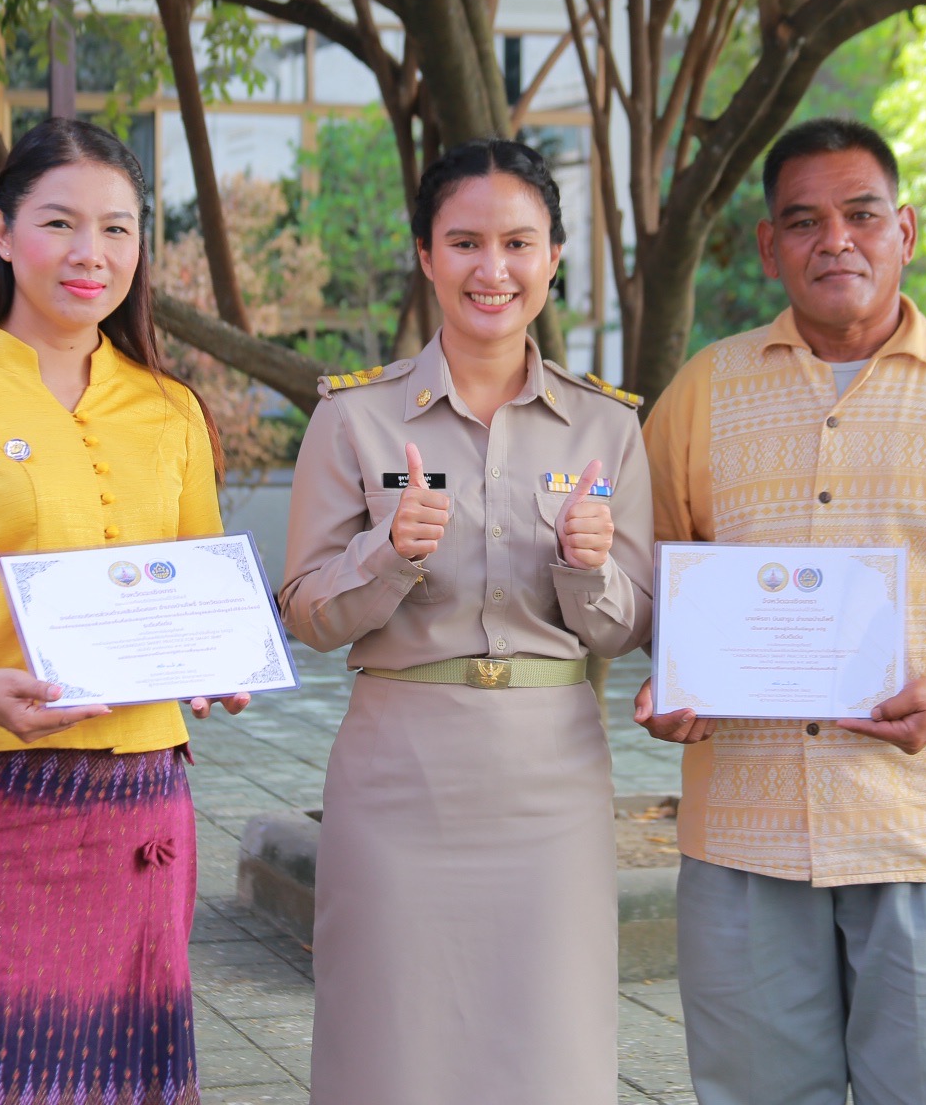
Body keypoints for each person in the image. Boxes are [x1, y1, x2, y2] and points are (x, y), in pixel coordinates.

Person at [636, 117, 926, 1105]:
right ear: (770, 246)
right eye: (803, 221)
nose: (835, 240)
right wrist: (673, 672)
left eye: (860, 215)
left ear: (905, 229)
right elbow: (653, 574)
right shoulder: (702, 392)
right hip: (747, 825)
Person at [0, 118, 246, 1105]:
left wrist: (216, 656)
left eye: (118, 227)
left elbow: (195, 581)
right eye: (60, 222)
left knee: (123, 1071)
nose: (91, 253)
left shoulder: (170, 409)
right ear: (3, 229)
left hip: (141, 799)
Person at [279, 138, 653, 1105]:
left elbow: (625, 624)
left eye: (519, 243)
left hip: (551, 781)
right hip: (401, 776)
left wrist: (589, 568)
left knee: (552, 1049)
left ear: (554, 259)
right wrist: (388, 554)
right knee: (388, 1048)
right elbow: (307, 614)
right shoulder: (354, 420)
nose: (494, 270)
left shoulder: (607, 426)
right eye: (466, 243)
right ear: (425, 254)